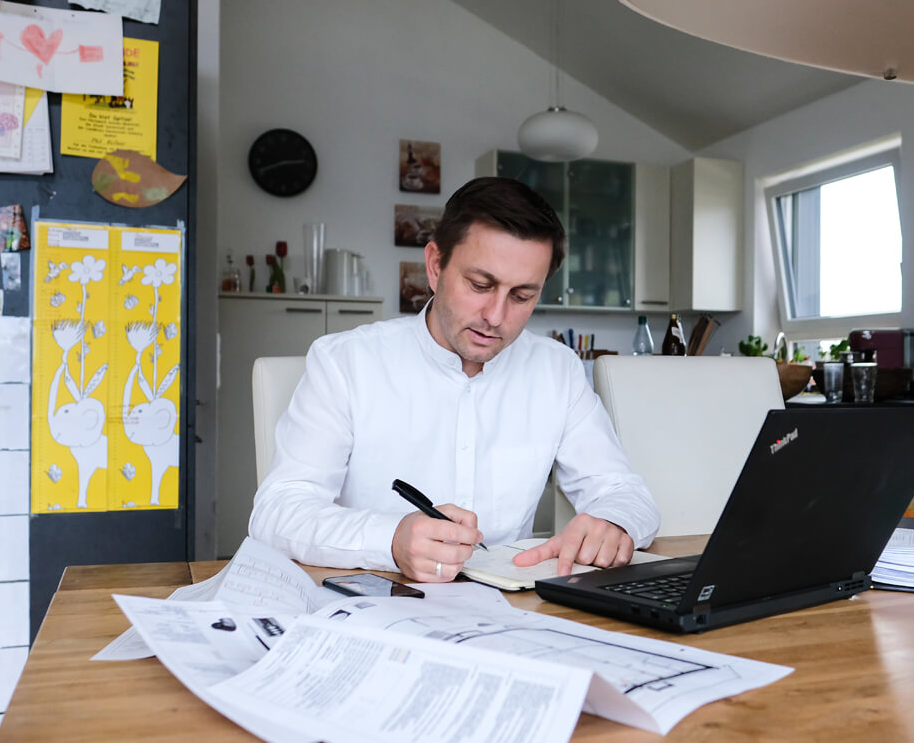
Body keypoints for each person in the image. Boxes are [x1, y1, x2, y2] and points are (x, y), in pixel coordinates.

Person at [249, 177, 660, 582]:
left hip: (511, 615)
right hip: (375, 610)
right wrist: (390, 540)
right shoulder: (345, 362)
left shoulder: (557, 370)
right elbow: (278, 511)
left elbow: (625, 494)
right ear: (435, 266)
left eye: (522, 296)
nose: (496, 316)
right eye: (480, 285)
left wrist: (613, 523)